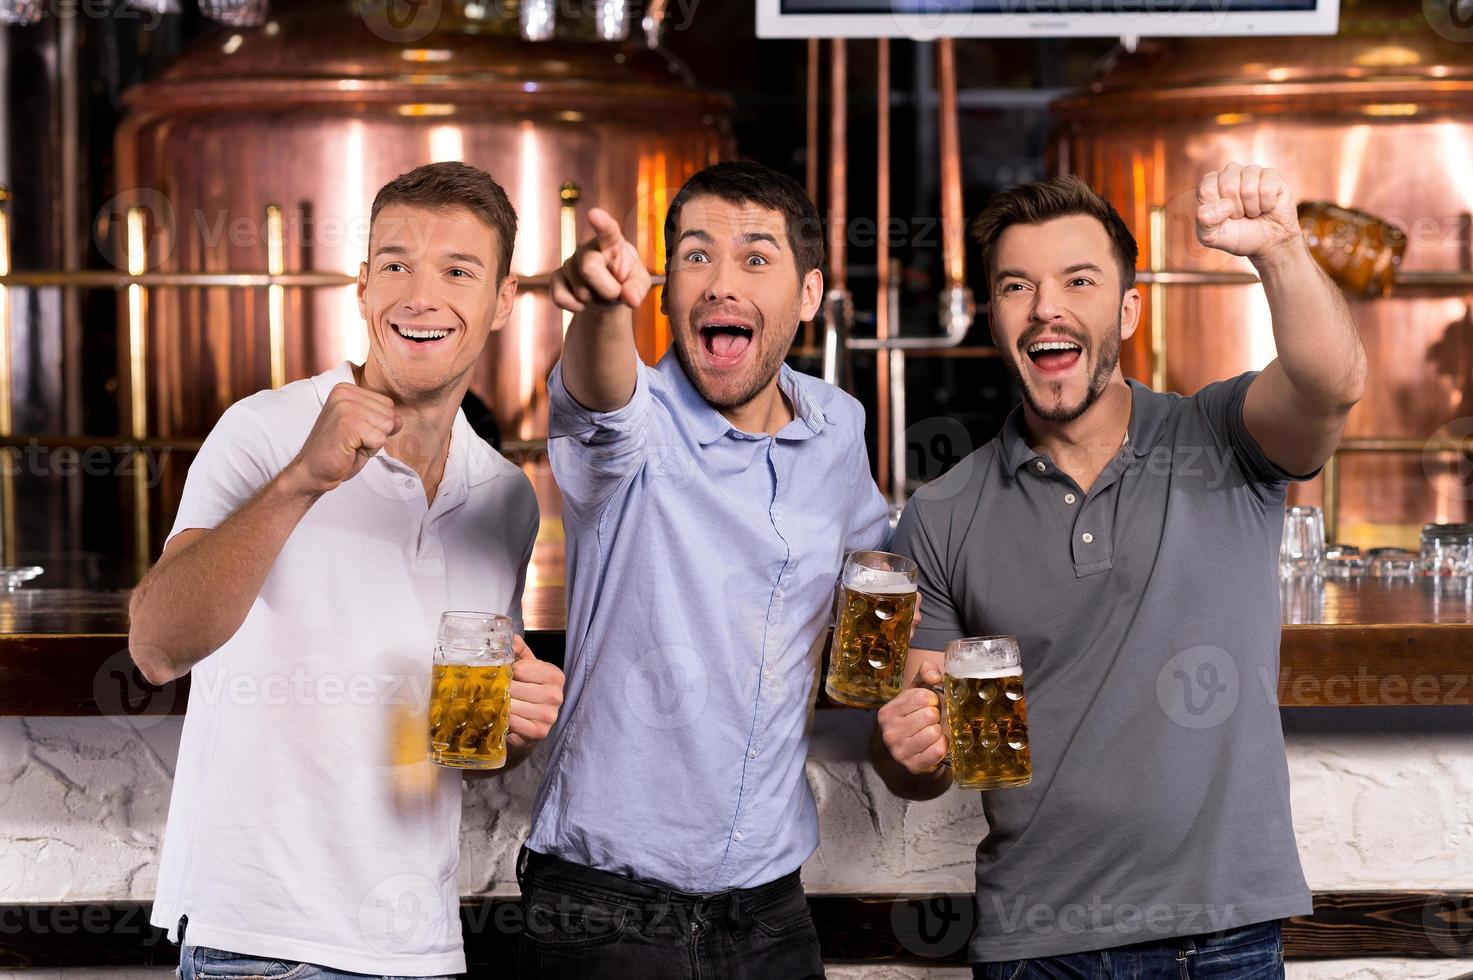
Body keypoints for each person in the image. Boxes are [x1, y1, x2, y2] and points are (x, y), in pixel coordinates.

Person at [874, 165, 1365, 978]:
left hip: (1222, 936)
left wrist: (1280, 249)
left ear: (1128, 309)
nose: (1046, 308)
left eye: (1078, 280)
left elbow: (1330, 384)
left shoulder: (1220, 439)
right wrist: (904, 753)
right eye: (1016, 286)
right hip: (1037, 946)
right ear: (994, 320)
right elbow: (923, 751)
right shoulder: (940, 513)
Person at [128, 161, 565, 979]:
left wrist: (511, 732)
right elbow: (156, 646)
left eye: (457, 271)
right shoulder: (264, 431)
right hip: (262, 946)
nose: (418, 296)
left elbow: (459, 749)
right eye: (395, 265)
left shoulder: (503, 498)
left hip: (421, 944)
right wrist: (303, 478)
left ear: (503, 301)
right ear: (362, 288)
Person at [516, 160, 891, 979]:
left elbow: (881, 565)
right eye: (694, 257)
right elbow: (601, 398)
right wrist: (601, 309)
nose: (720, 283)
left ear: (807, 293)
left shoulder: (835, 425)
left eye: (755, 258)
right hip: (602, 910)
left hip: (768, 907)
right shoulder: (636, 430)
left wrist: (930, 648)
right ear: (663, 289)